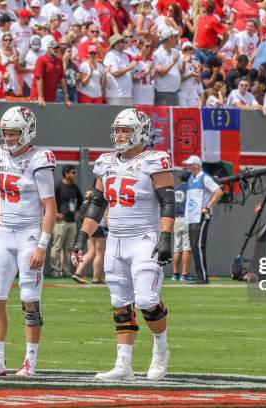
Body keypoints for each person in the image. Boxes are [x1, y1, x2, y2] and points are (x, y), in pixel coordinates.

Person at [71, 108, 175, 381]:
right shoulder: (105, 162)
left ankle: (161, 349)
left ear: (140, 132)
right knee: (119, 302)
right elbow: (97, 203)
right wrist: (82, 236)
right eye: (118, 130)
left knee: (146, 300)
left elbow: (167, 201)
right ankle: (123, 364)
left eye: (126, 130)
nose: (120, 135)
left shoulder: (155, 160)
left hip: (145, 238)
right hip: (116, 239)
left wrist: (166, 236)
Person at [0, 106, 57, 377]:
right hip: (5, 234)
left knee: (29, 299)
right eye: (5, 132)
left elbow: (50, 208)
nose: (8, 137)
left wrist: (42, 245)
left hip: (29, 233)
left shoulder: (39, 159)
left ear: (27, 131)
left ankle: (30, 362)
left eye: (13, 132)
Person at [183, 155, 223, 284]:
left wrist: (207, 207)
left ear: (197, 165)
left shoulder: (205, 178)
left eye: (190, 164)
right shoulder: (191, 178)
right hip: (192, 217)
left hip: (201, 217)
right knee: (194, 246)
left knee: (198, 246)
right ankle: (200, 275)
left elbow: (218, 192)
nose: (187, 166)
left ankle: (203, 277)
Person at [50, 165, 82, 278]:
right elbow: (50, 201)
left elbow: (80, 200)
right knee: (57, 246)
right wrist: (55, 214)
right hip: (60, 222)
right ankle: (55, 270)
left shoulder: (75, 187)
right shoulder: (58, 186)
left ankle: (65, 270)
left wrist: (77, 212)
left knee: (68, 248)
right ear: (66, 173)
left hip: (71, 222)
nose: (75, 174)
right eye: (73, 172)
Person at [31, 40, 72, 107]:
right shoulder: (41, 60)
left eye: (57, 48)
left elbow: (62, 80)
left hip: (51, 98)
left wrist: (66, 97)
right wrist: (40, 97)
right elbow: (39, 79)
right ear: (48, 49)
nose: (56, 50)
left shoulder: (59, 61)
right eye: (54, 48)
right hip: (37, 97)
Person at [153, 26, 183, 106]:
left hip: (175, 92)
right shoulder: (157, 53)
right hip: (163, 93)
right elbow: (161, 73)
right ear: (169, 38)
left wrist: (185, 62)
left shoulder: (175, 51)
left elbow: (181, 70)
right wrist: (173, 62)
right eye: (174, 36)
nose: (176, 39)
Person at [172, 171, 192, 281]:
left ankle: (175, 274)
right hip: (186, 218)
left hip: (176, 219)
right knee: (186, 248)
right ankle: (184, 274)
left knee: (176, 247)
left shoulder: (176, 188)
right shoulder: (189, 188)